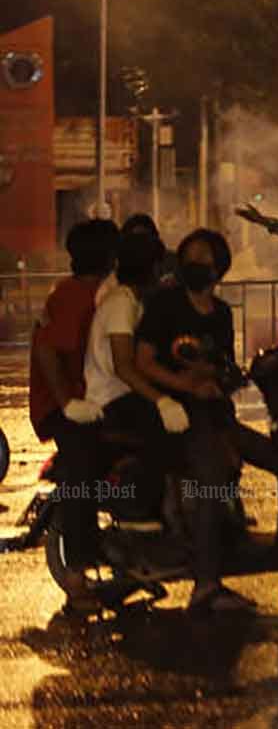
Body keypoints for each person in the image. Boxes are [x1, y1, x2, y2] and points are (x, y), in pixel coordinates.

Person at [135, 228, 278, 612]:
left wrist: (226, 378)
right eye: (189, 257)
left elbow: (222, 365)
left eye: (203, 258)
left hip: (218, 417)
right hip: (179, 418)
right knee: (211, 483)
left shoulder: (221, 314)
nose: (194, 264)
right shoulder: (165, 306)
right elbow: (143, 362)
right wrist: (185, 385)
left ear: (219, 268)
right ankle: (206, 584)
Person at [28, 219, 118, 611]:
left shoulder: (103, 294)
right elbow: (48, 352)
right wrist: (68, 404)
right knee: (82, 471)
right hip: (64, 409)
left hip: (94, 400)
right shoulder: (71, 295)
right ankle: (78, 573)